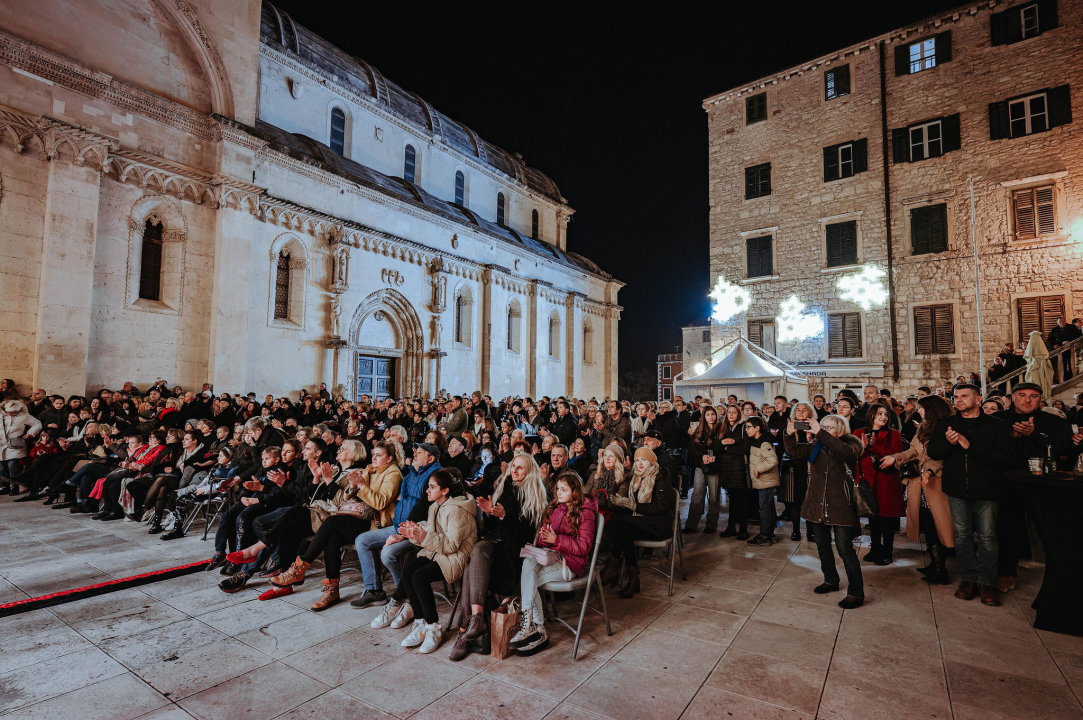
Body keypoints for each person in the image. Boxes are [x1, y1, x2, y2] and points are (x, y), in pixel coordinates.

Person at [270, 440, 402, 609]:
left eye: (379, 455)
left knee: (332, 522)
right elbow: (346, 498)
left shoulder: (393, 473)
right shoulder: (369, 469)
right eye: (373, 454)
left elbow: (380, 503)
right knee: (332, 538)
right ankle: (331, 591)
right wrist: (353, 486)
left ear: (390, 458)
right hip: (358, 516)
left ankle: (300, 567)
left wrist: (361, 485)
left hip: (375, 523)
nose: (374, 457)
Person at [446, 453, 547, 661]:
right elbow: (492, 529)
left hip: (516, 552)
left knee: (472, 562)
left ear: (530, 471)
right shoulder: (505, 488)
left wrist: (503, 516)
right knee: (475, 553)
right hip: (496, 544)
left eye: (520, 468)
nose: (515, 471)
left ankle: (465, 632)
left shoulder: (534, 494)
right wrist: (490, 515)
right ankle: (474, 621)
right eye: (513, 467)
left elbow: (523, 538)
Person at [926, 384, 1014, 607]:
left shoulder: (997, 426)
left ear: (979, 399)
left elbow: (1005, 459)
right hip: (957, 489)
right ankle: (967, 579)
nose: (958, 400)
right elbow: (933, 453)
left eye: (964, 396)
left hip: (987, 489)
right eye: (956, 396)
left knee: (987, 537)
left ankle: (986, 582)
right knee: (962, 536)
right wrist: (948, 442)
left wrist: (968, 445)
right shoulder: (947, 424)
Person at [991, 382, 1077, 593]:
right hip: (1008, 484)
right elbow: (986, 447)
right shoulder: (998, 420)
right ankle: (1006, 572)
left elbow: (1065, 447)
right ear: (1013, 398)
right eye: (1022, 395)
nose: (1027, 400)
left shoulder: (1053, 421)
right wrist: (1011, 437)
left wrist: (1034, 435)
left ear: (1040, 400)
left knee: (1049, 530)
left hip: (1046, 485)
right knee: (1007, 529)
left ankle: (1060, 576)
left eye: (1033, 396)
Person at [383, 469, 477, 654]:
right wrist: (415, 533)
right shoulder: (435, 506)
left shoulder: (456, 510)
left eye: (432, 487)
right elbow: (432, 538)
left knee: (419, 577)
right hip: (440, 552)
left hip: (456, 557)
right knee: (409, 567)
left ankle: (434, 628)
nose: (427, 490)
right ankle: (420, 623)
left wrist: (423, 535)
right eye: (428, 487)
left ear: (445, 490)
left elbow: (451, 545)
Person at [510, 471, 597, 655]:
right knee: (527, 565)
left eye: (563, 489)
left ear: (575, 491)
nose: (558, 492)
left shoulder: (585, 511)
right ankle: (532, 624)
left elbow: (584, 547)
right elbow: (545, 543)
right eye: (557, 488)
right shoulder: (556, 508)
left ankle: (536, 629)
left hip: (571, 564)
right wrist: (544, 538)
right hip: (552, 557)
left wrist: (556, 540)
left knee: (529, 580)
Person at [784, 414, 865, 609]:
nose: (823, 429)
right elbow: (794, 450)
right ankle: (831, 580)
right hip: (817, 503)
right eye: (823, 426)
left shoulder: (850, 444)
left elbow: (848, 454)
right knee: (822, 545)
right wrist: (788, 435)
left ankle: (856, 592)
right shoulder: (817, 445)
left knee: (845, 548)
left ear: (840, 430)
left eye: (828, 427)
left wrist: (820, 433)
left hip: (840, 505)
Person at [353, 442, 441, 609]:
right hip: (398, 526)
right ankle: (374, 591)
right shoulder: (410, 474)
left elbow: (425, 507)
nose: (415, 453)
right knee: (362, 540)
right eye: (416, 450)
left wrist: (404, 533)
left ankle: (404, 594)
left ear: (431, 458)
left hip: (418, 530)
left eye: (421, 452)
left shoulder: (435, 475)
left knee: (387, 553)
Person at [881, 395, 956, 584]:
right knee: (928, 524)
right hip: (920, 484)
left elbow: (944, 456)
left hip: (937, 484)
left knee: (940, 525)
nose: (919, 410)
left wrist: (930, 471)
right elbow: (913, 451)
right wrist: (895, 458)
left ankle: (941, 569)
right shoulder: (922, 428)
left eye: (922, 408)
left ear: (932, 409)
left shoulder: (947, 428)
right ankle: (934, 564)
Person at [600, 446, 677, 598]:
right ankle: (632, 577)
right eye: (637, 460)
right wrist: (622, 505)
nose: (640, 463)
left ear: (651, 461)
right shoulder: (636, 477)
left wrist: (633, 505)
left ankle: (613, 565)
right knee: (621, 526)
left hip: (658, 526)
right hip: (640, 523)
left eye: (644, 460)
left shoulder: (661, 477)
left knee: (622, 525)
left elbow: (661, 508)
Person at [854, 404, 905, 565]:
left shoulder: (894, 434)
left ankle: (887, 551)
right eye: (879, 414)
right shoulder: (858, 432)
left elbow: (894, 455)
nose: (883, 417)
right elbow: (856, 455)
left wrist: (875, 445)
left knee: (887, 517)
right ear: (871, 416)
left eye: (885, 414)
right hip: (868, 480)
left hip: (887, 480)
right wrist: (866, 447)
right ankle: (875, 548)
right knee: (873, 516)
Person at [684, 406, 722, 533]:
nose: (711, 417)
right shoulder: (699, 429)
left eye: (713, 414)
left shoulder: (721, 429)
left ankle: (711, 524)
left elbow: (721, 447)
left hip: (714, 466)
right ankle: (691, 524)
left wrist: (714, 456)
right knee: (697, 495)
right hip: (701, 465)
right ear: (704, 416)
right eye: (708, 414)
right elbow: (692, 446)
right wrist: (702, 456)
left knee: (713, 496)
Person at [745, 416, 780, 546]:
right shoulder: (757, 440)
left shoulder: (764, 442)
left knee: (764, 508)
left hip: (766, 480)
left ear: (757, 428)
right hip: (764, 480)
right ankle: (769, 534)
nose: (746, 430)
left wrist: (758, 469)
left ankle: (764, 536)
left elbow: (772, 460)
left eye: (749, 427)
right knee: (767, 507)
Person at [718, 405, 750, 539]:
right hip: (727, 469)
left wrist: (728, 448)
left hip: (740, 468)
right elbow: (717, 446)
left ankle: (743, 529)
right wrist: (722, 444)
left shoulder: (743, 427)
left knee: (741, 500)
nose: (731, 414)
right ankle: (731, 527)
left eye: (734, 412)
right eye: (729, 412)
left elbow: (746, 447)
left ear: (739, 414)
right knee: (732, 500)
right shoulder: (723, 427)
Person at [0, 400, 43, 495]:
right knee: (2, 466)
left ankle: (15, 486)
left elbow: (37, 424)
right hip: (1, 444)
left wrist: (30, 433)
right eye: (10, 412)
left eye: (15, 412)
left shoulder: (24, 416)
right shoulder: (1, 416)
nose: (13, 414)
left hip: (15, 443)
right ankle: (4, 486)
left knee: (13, 465)